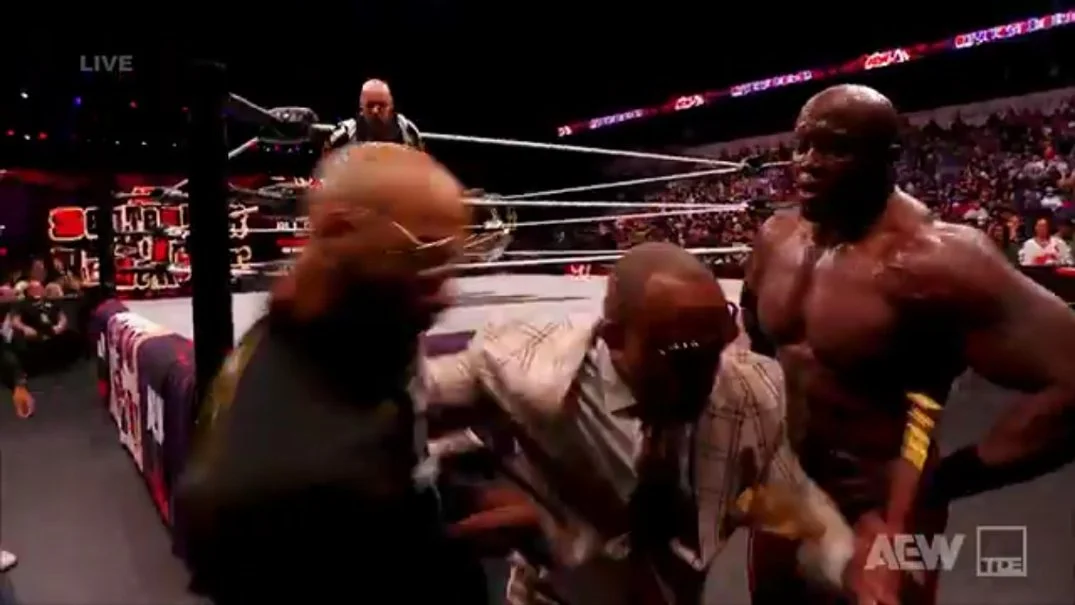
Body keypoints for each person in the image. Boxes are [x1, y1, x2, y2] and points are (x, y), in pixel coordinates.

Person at [742, 84, 1075, 605]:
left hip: (889, 503)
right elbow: (760, 350)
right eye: (802, 145)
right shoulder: (776, 237)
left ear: (888, 158)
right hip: (789, 487)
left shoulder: (938, 261)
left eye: (835, 148)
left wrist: (946, 482)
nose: (807, 164)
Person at [420, 242, 859, 605]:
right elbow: (406, 406)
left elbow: (793, 496)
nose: (706, 374)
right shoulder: (526, 370)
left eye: (716, 346)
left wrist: (851, 569)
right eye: (681, 356)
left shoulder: (749, 387)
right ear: (614, 338)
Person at [175, 143, 487, 604]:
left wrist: (463, 505)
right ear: (342, 231)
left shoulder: (351, 338)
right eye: (422, 255)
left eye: (448, 263)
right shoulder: (294, 479)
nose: (445, 296)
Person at [327, 79, 423, 151]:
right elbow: (324, 167)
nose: (375, 111)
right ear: (361, 107)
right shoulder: (344, 135)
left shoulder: (408, 132)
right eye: (370, 105)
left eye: (382, 105)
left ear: (391, 106)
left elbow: (420, 166)